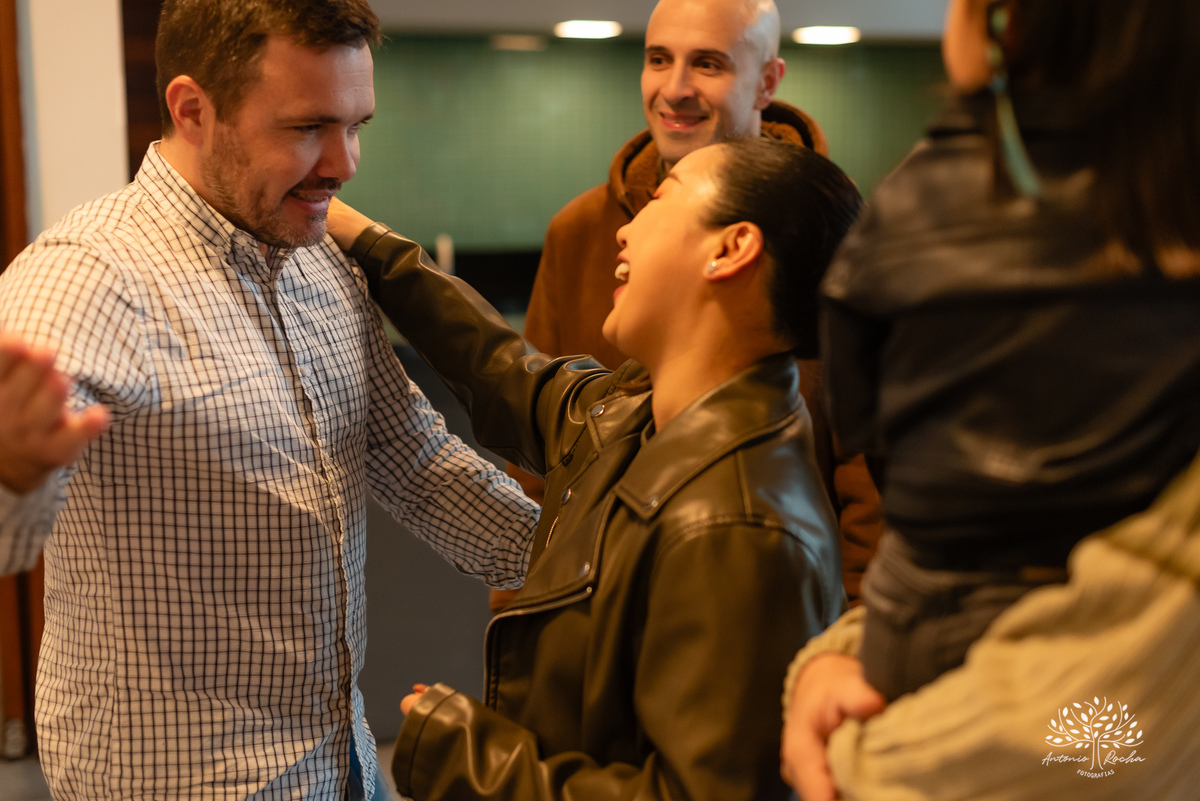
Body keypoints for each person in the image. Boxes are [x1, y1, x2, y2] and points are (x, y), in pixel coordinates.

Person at [0, 1, 539, 798]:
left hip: (343, 758)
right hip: (181, 780)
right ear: (192, 109)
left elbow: (415, 459)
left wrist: (608, 560)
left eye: (358, 124)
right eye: (308, 127)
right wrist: (13, 471)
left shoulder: (320, 258)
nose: (345, 162)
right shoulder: (90, 274)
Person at [324, 137, 861, 801]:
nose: (627, 231)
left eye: (660, 201)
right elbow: (504, 370)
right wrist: (364, 238)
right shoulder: (638, 413)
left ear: (730, 248)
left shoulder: (738, 524)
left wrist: (474, 760)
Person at [782, 0, 1200, 798]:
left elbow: (1109, 747)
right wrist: (834, 657)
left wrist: (860, 755)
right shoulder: (1158, 221)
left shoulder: (909, 199)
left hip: (941, 664)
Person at [512, 0, 883, 607]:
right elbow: (535, 460)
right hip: (600, 617)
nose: (675, 89)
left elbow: (875, 482)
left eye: (708, 64)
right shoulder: (580, 231)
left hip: (774, 614)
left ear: (767, 81)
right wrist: (524, 613)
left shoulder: (835, 236)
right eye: (659, 59)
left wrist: (853, 644)